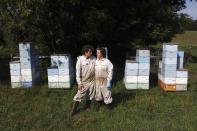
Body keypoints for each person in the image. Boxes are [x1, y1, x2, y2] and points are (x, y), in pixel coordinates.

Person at [70, 45, 96, 116]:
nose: (91, 53)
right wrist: (79, 83)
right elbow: (77, 72)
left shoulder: (93, 58)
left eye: (91, 51)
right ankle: (73, 111)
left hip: (92, 80)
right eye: (90, 51)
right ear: (85, 52)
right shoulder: (80, 60)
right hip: (84, 81)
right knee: (79, 95)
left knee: (90, 94)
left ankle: (87, 107)